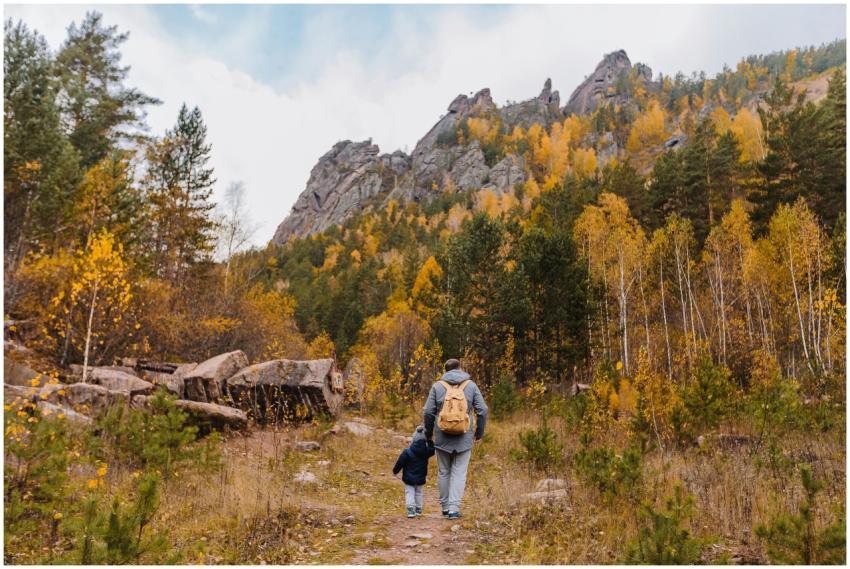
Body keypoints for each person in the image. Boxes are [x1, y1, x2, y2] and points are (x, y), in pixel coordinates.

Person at [423, 358, 488, 520]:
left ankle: (445, 507)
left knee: (443, 472)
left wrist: (429, 433)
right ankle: (454, 509)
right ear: (460, 369)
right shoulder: (471, 385)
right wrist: (478, 433)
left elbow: (428, 412)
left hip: (442, 436)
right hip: (464, 437)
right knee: (459, 472)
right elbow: (483, 410)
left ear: (445, 371)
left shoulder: (437, 386)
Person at [392, 425, 436, 518]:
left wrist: (395, 471)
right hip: (420, 477)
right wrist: (429, 440)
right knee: (419, 492)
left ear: (413, 439)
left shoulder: (407, 451)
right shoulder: (426, 451)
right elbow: (433, 450)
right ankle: (419, 509)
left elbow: (400, 462)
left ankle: (411, 510)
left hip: (408, 477)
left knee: (409, 492)